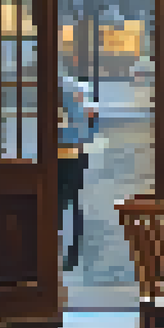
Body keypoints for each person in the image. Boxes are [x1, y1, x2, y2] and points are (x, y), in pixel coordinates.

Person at [58, 77, 98, 271]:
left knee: (60, 204)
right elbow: (91, 124)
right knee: (72, 203)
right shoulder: (78, 88)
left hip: (58, 154)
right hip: (75, 152)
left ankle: (57, 252)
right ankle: (70, 255)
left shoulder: (54, 88)